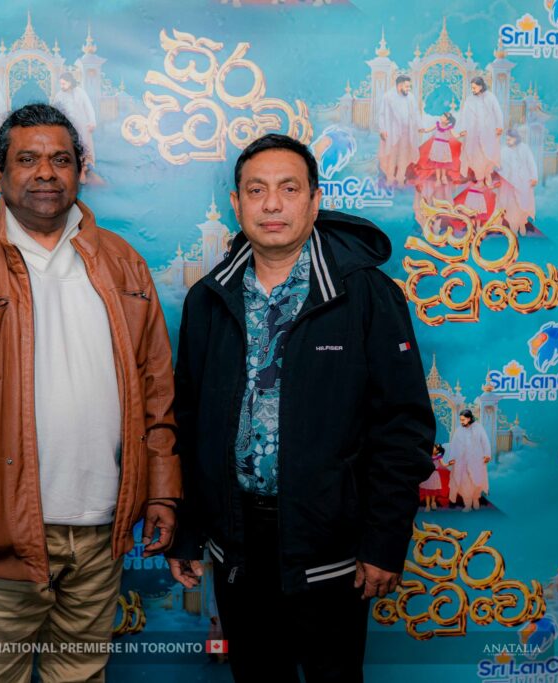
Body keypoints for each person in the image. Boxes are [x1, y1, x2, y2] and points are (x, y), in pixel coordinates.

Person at [0, 103, 181, 683]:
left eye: (61, 160)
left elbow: (157, 394)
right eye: (27, 159)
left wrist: (163, 491)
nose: (46, 172)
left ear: (80, 172)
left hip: (103, 533)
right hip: (3, 538)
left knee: (80, 676)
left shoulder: (124, 266)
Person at [167, 133, 436, 683]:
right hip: (238, 542)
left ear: (314, 201)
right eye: (256, 190)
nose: (272, 204)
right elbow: (190, 424)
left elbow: (403, 426)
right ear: (236, 203)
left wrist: (384, 541)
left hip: (331, 542)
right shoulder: (208, 300)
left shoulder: (365, 294)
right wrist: (188, 530)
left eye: (289, 189)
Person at [457, 77, 504, 187]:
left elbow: (498, 112)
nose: (472, 89)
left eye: (474, 87)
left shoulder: (490, 97)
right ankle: (479, 180)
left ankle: (488, 176)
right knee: (476, 156)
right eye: (471, 87)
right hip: (473, 133)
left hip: (488, 132)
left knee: (488, 155)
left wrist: (499, 126)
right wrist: (463, 129)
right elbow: (464, 115)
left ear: (481, 86)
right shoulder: (469, 100)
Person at [376, 75, 422, 186]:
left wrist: (420, 126)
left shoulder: (410, 97)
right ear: (400, 85)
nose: (409, 89)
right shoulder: (388, 97)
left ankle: (400, 177)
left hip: (407, 132)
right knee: (391, 156)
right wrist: (382, 129)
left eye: (409, 86)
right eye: (407, 86)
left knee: (403, 156)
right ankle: (390, 178)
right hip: (392, 132)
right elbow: (381, 115)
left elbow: (416, 112)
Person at [50, 72, 97, 179]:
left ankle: (86, 169)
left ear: (70, 82)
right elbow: (54, 111)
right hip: (68, 127)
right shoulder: (59, 95)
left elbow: (88, 107)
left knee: (85, 146)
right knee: (70, 146)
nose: (62, 86)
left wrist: (92, 122)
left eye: (64, 84)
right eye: (60, 84)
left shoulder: (80, 92)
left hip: (82, 125)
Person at [446, 409, 491, 512]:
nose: (461, 422)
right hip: (462, 461)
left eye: (463, 419)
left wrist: (487, 455)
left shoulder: (479, 428)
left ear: (469, 418)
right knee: (465, 483)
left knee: (477, 481)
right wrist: (452, 458)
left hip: (477, 460)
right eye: (460, 420)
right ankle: (468, 505)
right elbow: (454, 445)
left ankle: (476, 500)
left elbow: (485, 441)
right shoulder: (458, 430)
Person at [496, 129, 538, 235]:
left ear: (516, 139)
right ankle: (513, 229)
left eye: (509, 139)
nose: (507, 141)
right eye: (506, 140)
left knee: (523, 205)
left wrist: (534, 177)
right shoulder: (504, 151)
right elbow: (499, 167)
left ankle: (522, 224)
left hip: (523, 182)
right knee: (511, 207)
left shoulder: (524, 148)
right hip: (509, 184)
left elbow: (531, 163)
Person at [417, 112, 458, 185]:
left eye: (444, 116)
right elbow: (428, 130)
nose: (441, 117)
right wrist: (423, 130)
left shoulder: (449, 128)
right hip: (436, 146)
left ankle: (443, 177)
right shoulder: (437, 124)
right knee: (437, 164)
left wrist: (461, 134)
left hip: (444, 146)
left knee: (444, 163)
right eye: (442, 115)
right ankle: (438, 179)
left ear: (447, 121)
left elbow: (456, 135)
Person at [420, 443, 448, 512]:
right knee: (427, 491)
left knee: (433, 491)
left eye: (434, 448)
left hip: (434, 475)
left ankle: (433, 502)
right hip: (428, 474)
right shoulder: (428, 456)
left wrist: (449, 463)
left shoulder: (439, 458)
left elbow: (443, 465)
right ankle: (427, 505)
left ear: (437, 451)